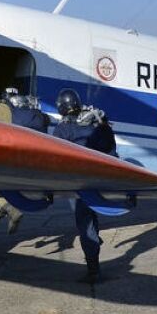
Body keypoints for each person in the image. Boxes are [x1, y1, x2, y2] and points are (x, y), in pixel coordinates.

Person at [52, 88, 116, 283]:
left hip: (78, 183)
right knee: (90, 218)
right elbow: (111, 149)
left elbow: (55, 154)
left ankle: (93, 269)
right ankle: (94, 245)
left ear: (62, 107)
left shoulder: (64, 128)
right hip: (99, 179)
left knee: (85, 223)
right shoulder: (96, 121)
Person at [0, 88, 51, 233]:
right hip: (28, 162)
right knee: (6, 187)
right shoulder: (28, 112)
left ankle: (9, 210)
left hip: (6, 157)